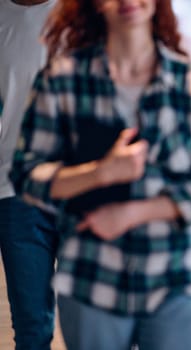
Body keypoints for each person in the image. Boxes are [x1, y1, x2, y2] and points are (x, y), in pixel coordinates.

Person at [10, 0, 191, 349]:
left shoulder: (189, 84)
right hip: (92, 276)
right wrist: (100, 172)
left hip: (172, 275)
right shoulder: (63, 81)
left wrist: (130, 214)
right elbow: (27, 174)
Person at [0, 1, 59, 348]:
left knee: (93, 321)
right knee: (32, 325)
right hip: (14, 188)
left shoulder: (81, 12)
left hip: (80, 190)